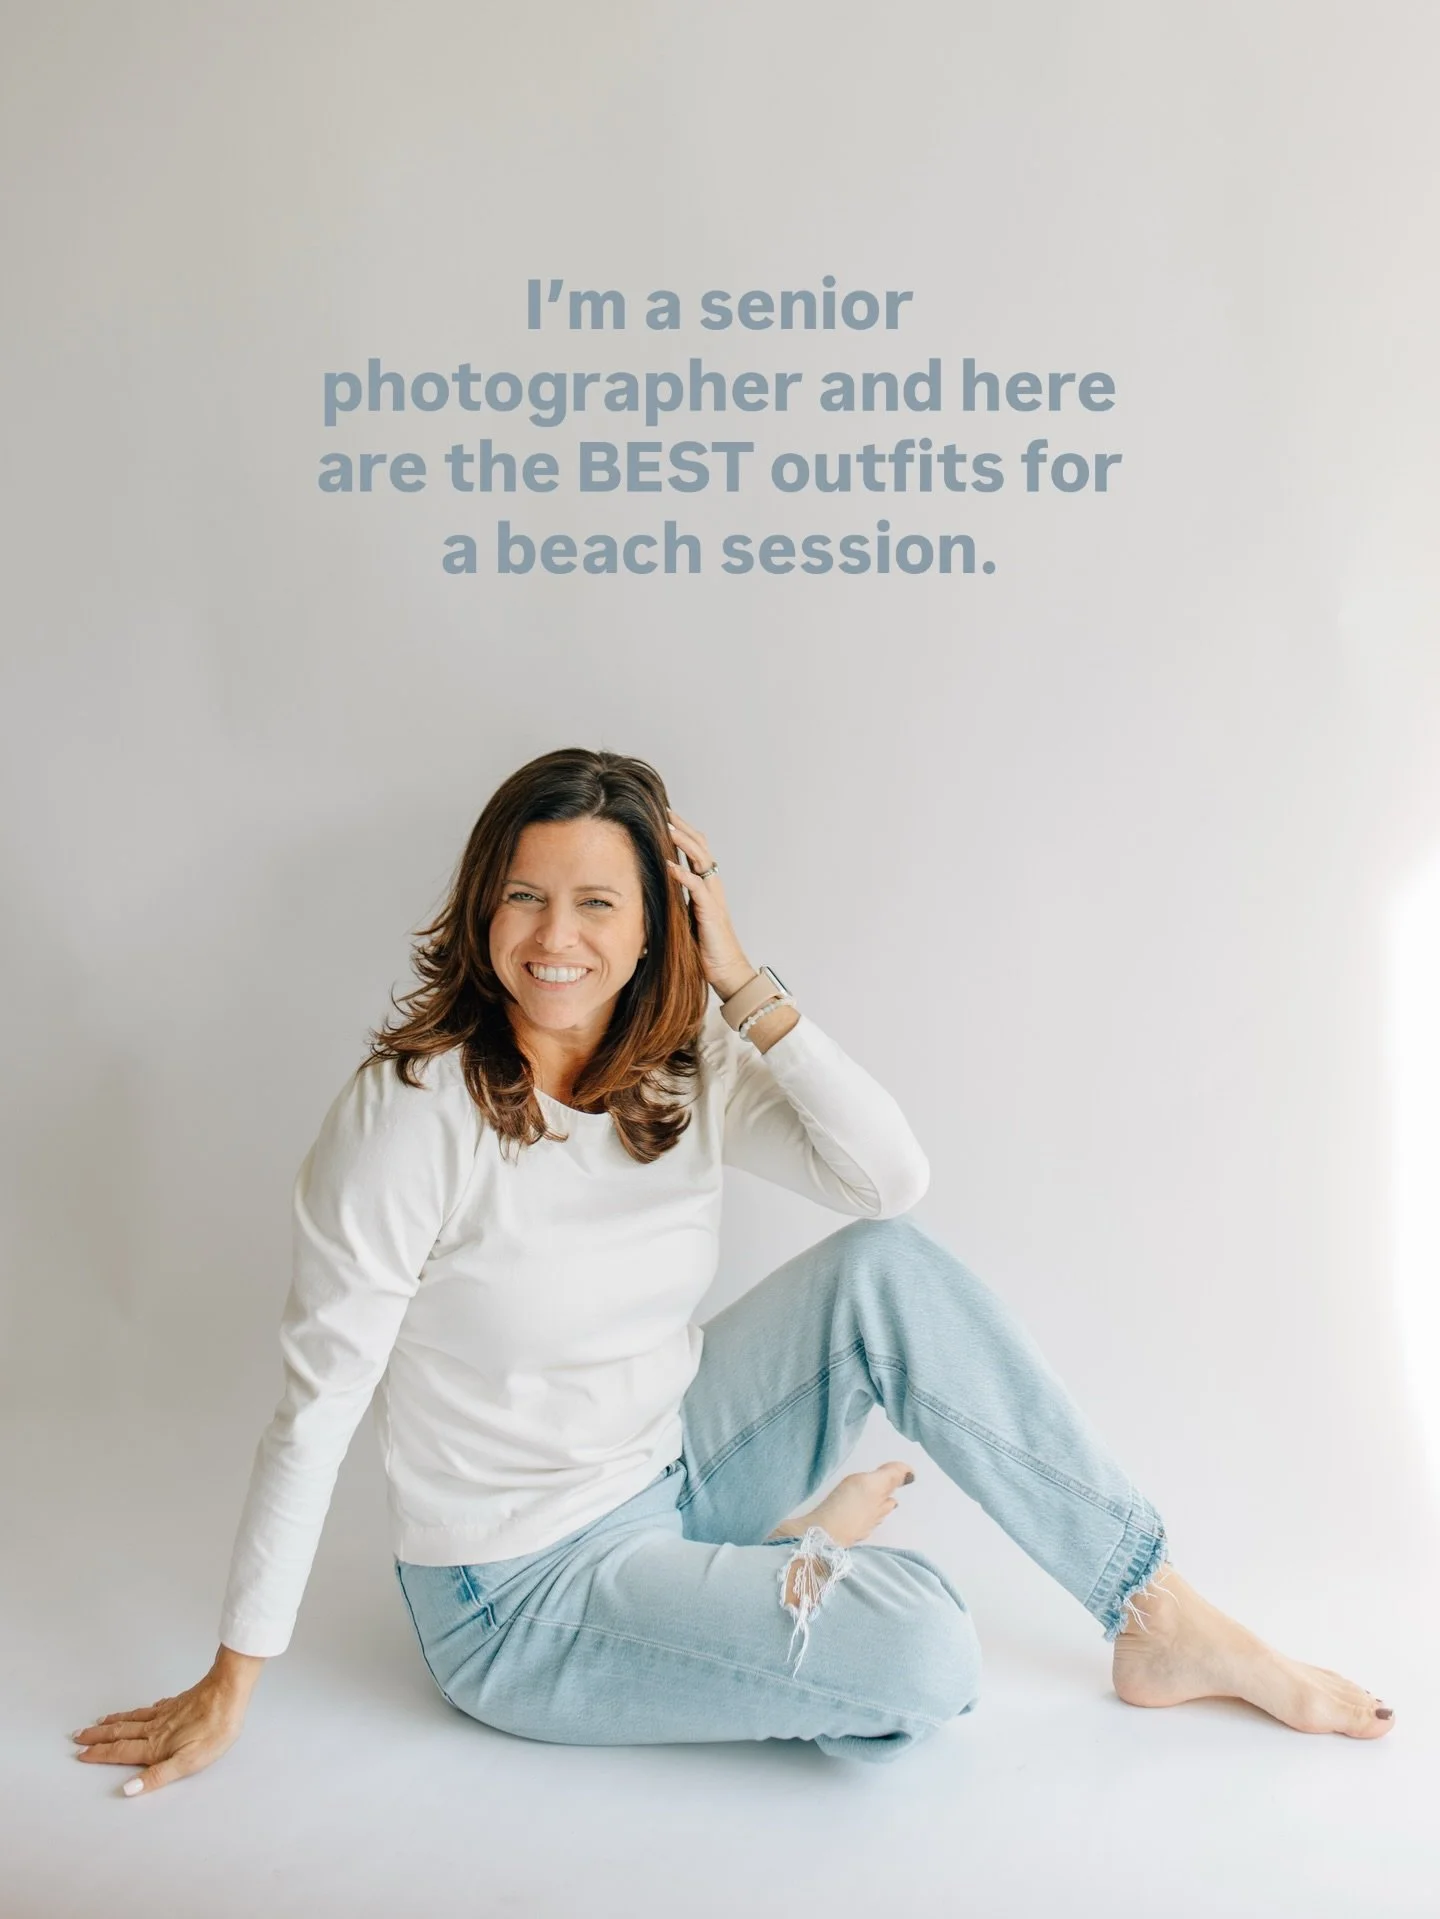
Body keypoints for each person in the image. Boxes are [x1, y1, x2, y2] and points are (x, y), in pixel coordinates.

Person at [72, 748, 1396, 1795]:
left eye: (600, 900)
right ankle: (795, 1560)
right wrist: (233, 1677)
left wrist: (745, 974)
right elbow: (318, 1402)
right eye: (524, 893)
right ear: (481, 904)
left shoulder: (684, 1068)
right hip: (523, 1592)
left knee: (885, 1267)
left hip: (678, 1463)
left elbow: (890, 1179)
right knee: (930, 1653)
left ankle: (1154, 1611)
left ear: (661, 920)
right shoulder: (413, 1112)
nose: (554, 937)